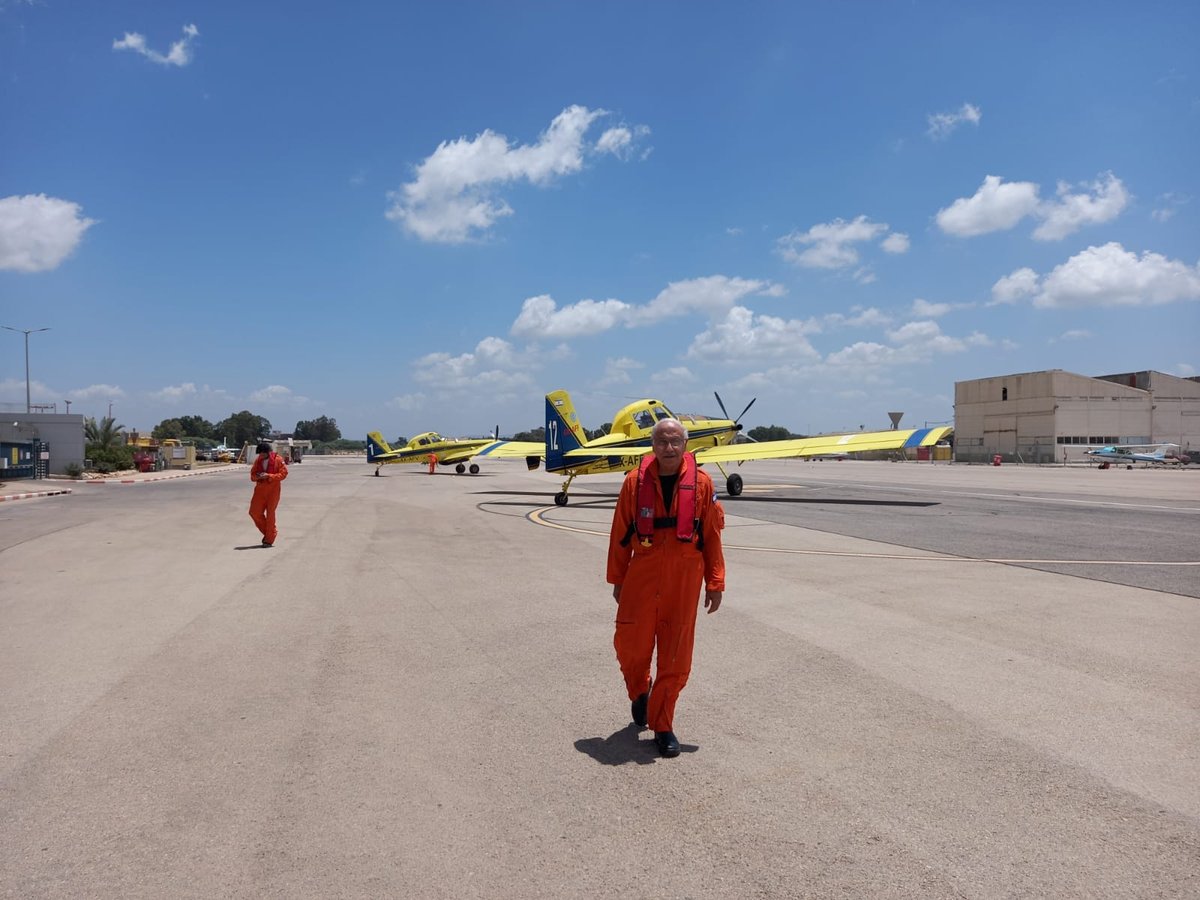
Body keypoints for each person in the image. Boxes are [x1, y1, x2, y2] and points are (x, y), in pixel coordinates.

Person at [607, 417, 725, 758]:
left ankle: (662, 724)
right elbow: (619, 535)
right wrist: (617, 578)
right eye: (662, 442)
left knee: (675, 656)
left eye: (675, 442)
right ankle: (639, 691)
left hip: (684, 581)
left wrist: (715, 582)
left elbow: (713, 537)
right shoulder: (633, 483)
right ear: (652, 446)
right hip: (641, 577)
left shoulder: (702, 484)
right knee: (629, 644)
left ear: (685, 445)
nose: (669, 448)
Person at [249, 441, 288, 547]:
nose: (260, 456)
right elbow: (252, 476)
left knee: (270, 514)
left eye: (262, 453)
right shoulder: (258, 461)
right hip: (260, 491)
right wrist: (258, 477)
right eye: (259, 454)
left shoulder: (278, 460)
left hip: (273, 491)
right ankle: (270, 533)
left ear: (268, 452)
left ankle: (269, 539)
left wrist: (269, 476)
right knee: (254, 512)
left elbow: (283, 474)